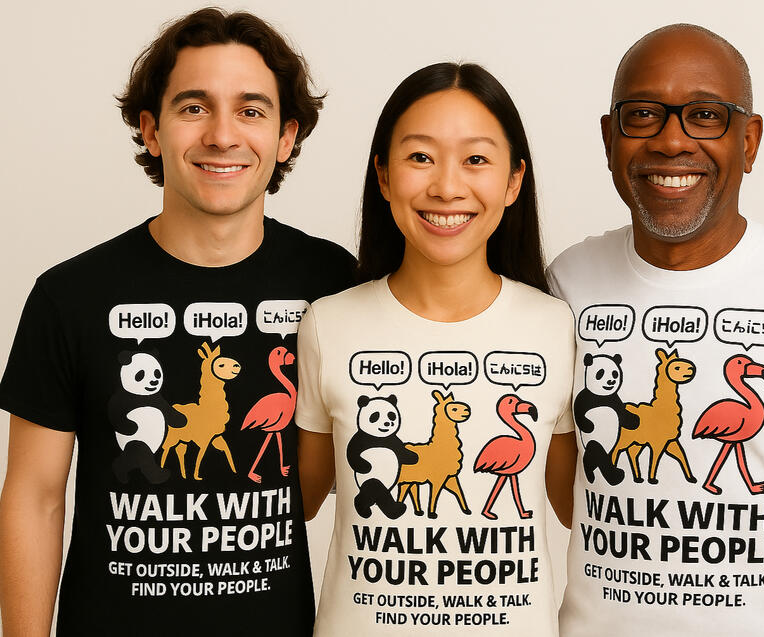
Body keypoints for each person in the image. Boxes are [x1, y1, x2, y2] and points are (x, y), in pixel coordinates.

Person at [0, 8, 355, 636]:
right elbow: (34, 497)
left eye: (251, 111)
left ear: (286, 136)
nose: (222, 135)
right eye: (194, 107)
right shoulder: (69, 295)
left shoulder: (334, 284)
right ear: (151, 130)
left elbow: (313, 488)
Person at [548, 23, 764, 637]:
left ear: (749, 140)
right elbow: (568, 483)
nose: (671, 140)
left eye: (705, 115)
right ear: (609, 138)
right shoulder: (567, 282)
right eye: (643, 115)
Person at [296, 62, 575, 636]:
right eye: (420, 157)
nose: (447, 187)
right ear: (383, 175)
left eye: (476, 159)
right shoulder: (328, 324)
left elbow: (579, 512)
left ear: (514, 181)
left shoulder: (557, 327)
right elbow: (299, 503)